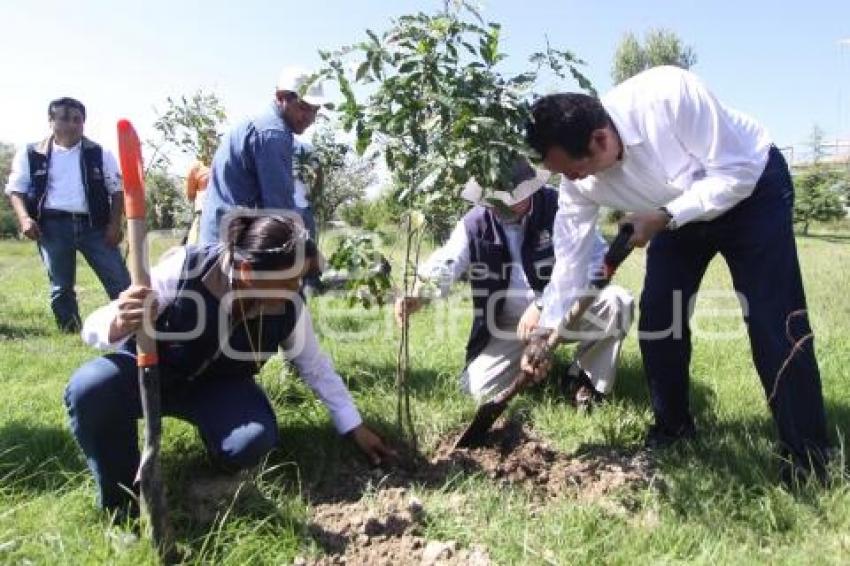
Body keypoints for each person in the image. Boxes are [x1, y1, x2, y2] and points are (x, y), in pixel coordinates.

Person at [524, 66, 830, 480]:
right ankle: (673, 430)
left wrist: (667, 216)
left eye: (575, 169)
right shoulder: (577, 183)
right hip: (671, 211)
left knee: (773, 319)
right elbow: (570, 258)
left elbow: (735, 173)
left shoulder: (667, 94)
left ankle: (808, 456)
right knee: (659, 320)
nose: (572, 181)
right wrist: (547, 327)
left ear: (600, 138)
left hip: (751, 190)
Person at [64, 213, 395, 513]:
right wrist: (121, 322)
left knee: (252, 443)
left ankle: (214, 454)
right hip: (150, 372)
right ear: (249, 271)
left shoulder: (289, 307)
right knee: (90, 389)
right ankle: (121, 500)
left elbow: (315, 366)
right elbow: (94, 326)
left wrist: (353, 426)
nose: (296, 290)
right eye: (288, 281)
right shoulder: (185, 269)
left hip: (220, 385)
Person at [395, 158, 633, 407]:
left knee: (617, 301)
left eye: (511, 197)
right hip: (509, 325)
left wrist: (543, 304)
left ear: (530, 186)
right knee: (475, 391)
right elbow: (448, 260)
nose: (503, 206)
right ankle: (534, 363)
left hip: (565, 310)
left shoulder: (562, 206)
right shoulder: (474, 224)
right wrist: (420, 291)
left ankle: (583, 380)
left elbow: (595, 262)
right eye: (496, 200)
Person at [4, 97, 130, 332]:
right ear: (51, 121)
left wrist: (115, 224)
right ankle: (71, 331)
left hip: (94, 226)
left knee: (120, 281)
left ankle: (130, 329)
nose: (71, 124)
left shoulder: (99, 153)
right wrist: (24, 219)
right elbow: (16, 189)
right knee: (61, 287)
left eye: (77, 119)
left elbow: (117, 191)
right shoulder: (31, 153)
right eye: (63, 118)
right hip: (52, 226)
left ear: (84, 123)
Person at [198, 67, 324, 244]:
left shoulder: (260, 123)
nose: (310, 118)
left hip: (218, 237)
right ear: (281, 98)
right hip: (233, 248)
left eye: (315, 110)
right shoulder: (273, 134)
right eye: (303, 107)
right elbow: (280, 211)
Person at [293, 138, 324, 293]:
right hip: (285, 204)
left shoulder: (304, 147)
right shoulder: (273, 145)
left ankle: (311, 281)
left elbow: (319, 172)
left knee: (309, 242)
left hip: (305, 205)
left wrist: (314, 195)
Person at [183, 160, 211, 245]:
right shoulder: (197, 168)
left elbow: (190, 195)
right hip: (204, 213)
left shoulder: (197, 168)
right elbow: (190, 195)